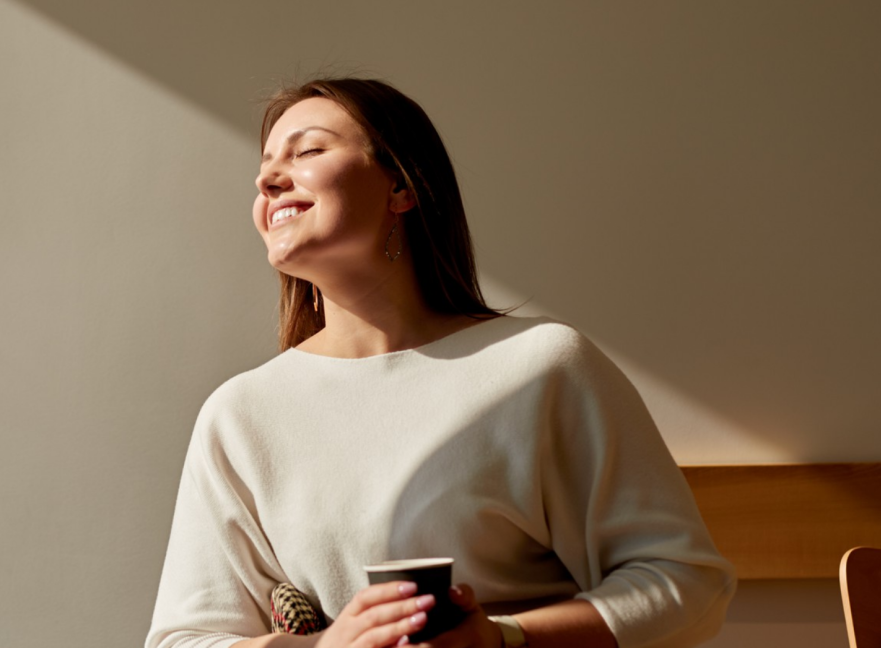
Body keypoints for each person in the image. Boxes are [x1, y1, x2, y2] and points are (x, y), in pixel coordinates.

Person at [144, 78, 735, 648]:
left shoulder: (542, 368)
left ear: (401, 186)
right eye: (266, 164)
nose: (267, 179)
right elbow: (183, 639)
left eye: (308, 151)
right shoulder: (241, 415)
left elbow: (687, 584)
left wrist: (504, 638)